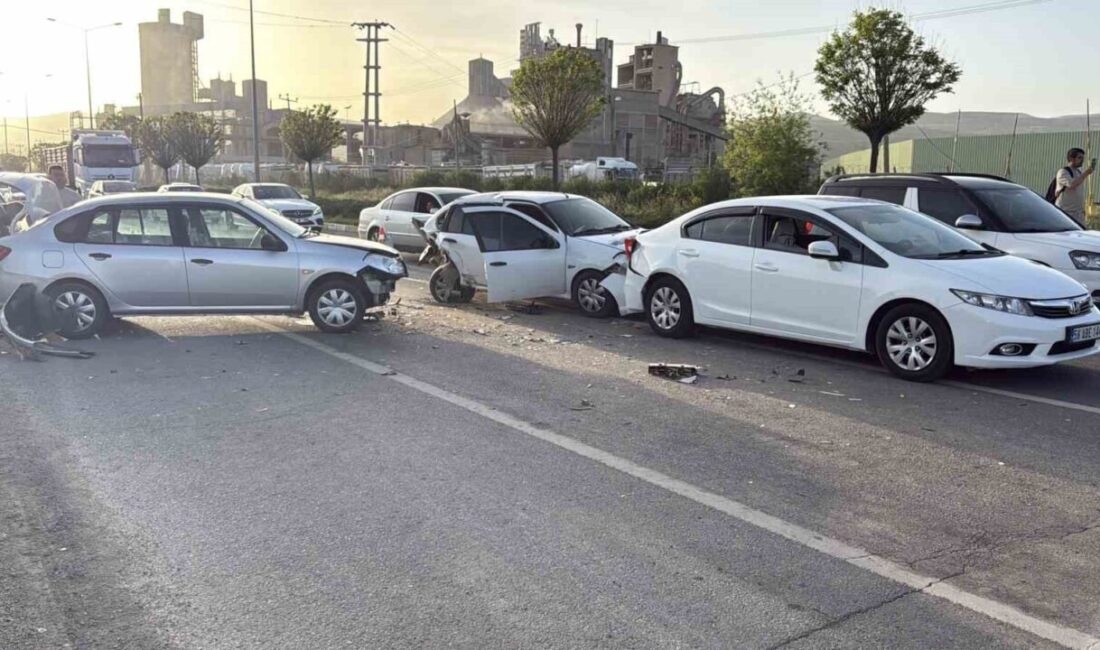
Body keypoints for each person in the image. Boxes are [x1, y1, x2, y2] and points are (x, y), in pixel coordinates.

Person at [1054, 148, 1095, 225]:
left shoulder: (1079, 172)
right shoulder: (1063, 172)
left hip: (1078, 213)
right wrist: (1086, 173)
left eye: (1082, 158)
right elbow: (1071, 184)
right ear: (1071, 158)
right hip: (1065, 212)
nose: (1082, 160)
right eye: (1079, 158)